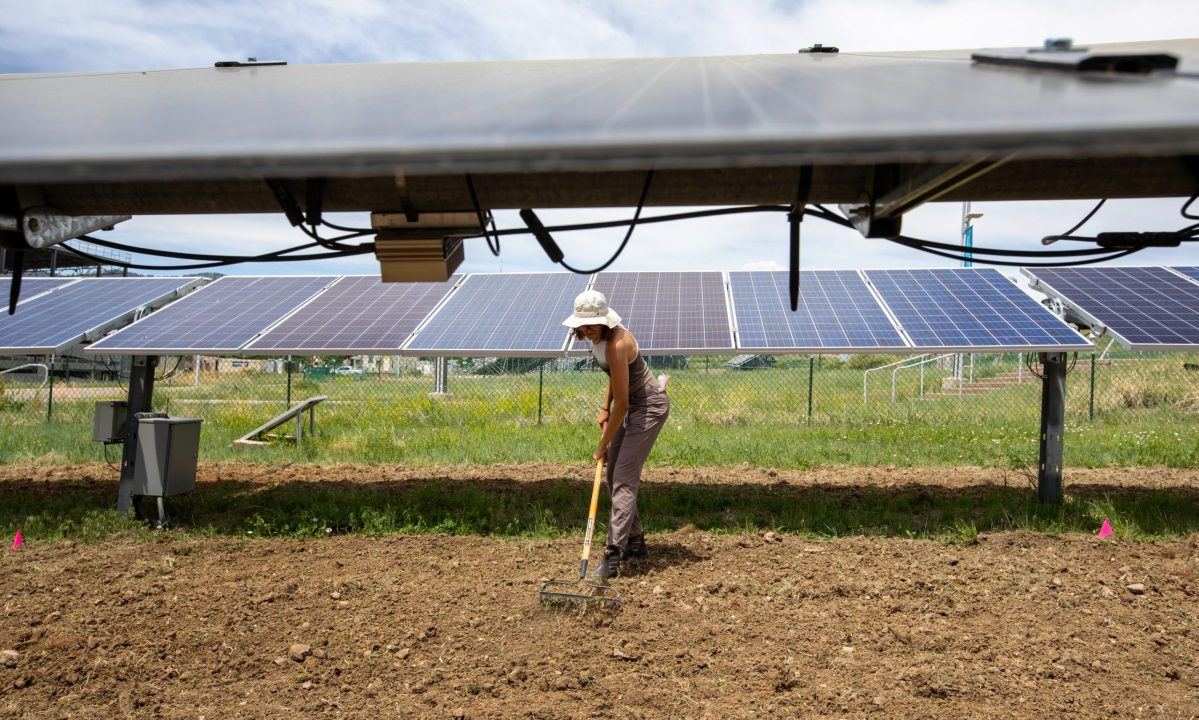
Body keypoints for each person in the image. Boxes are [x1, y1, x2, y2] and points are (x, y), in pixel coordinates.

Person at [562, 290, 670, 579]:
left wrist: (602, 444)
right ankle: (635, 542)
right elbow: (615, 377)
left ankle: (612, 555)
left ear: (605, 320)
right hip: (630, 405)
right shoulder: (596, 340)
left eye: (593, 323)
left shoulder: (617, 342)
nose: (587, 329)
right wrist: (603, 407)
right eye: (583, 324)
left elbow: (623, 403)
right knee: (611, 477)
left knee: (623, 477)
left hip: (648, 407)